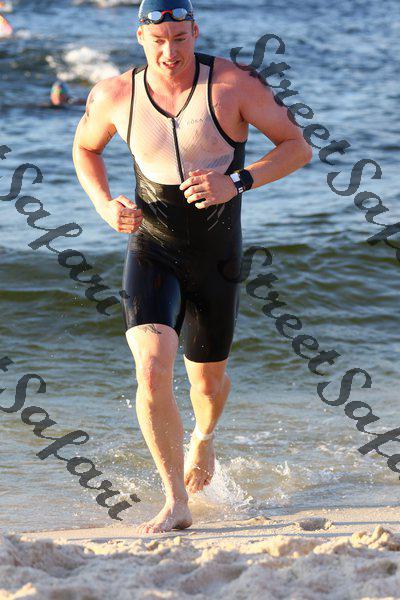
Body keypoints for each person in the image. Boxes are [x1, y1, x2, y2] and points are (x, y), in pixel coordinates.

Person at [72, 0, 312, 534]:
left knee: (207, 385)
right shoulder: (115, 95)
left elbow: (298, 147)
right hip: (151, 248)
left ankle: (204, 437)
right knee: (151, 367)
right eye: (159, 40)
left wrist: (239, 181)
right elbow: (85, 149)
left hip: (216, 255)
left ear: (195, 32)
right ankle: (175, 500)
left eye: (180, 38)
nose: (170, 52)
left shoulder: (233, 85)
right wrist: (104, 204)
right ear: (140, 37)